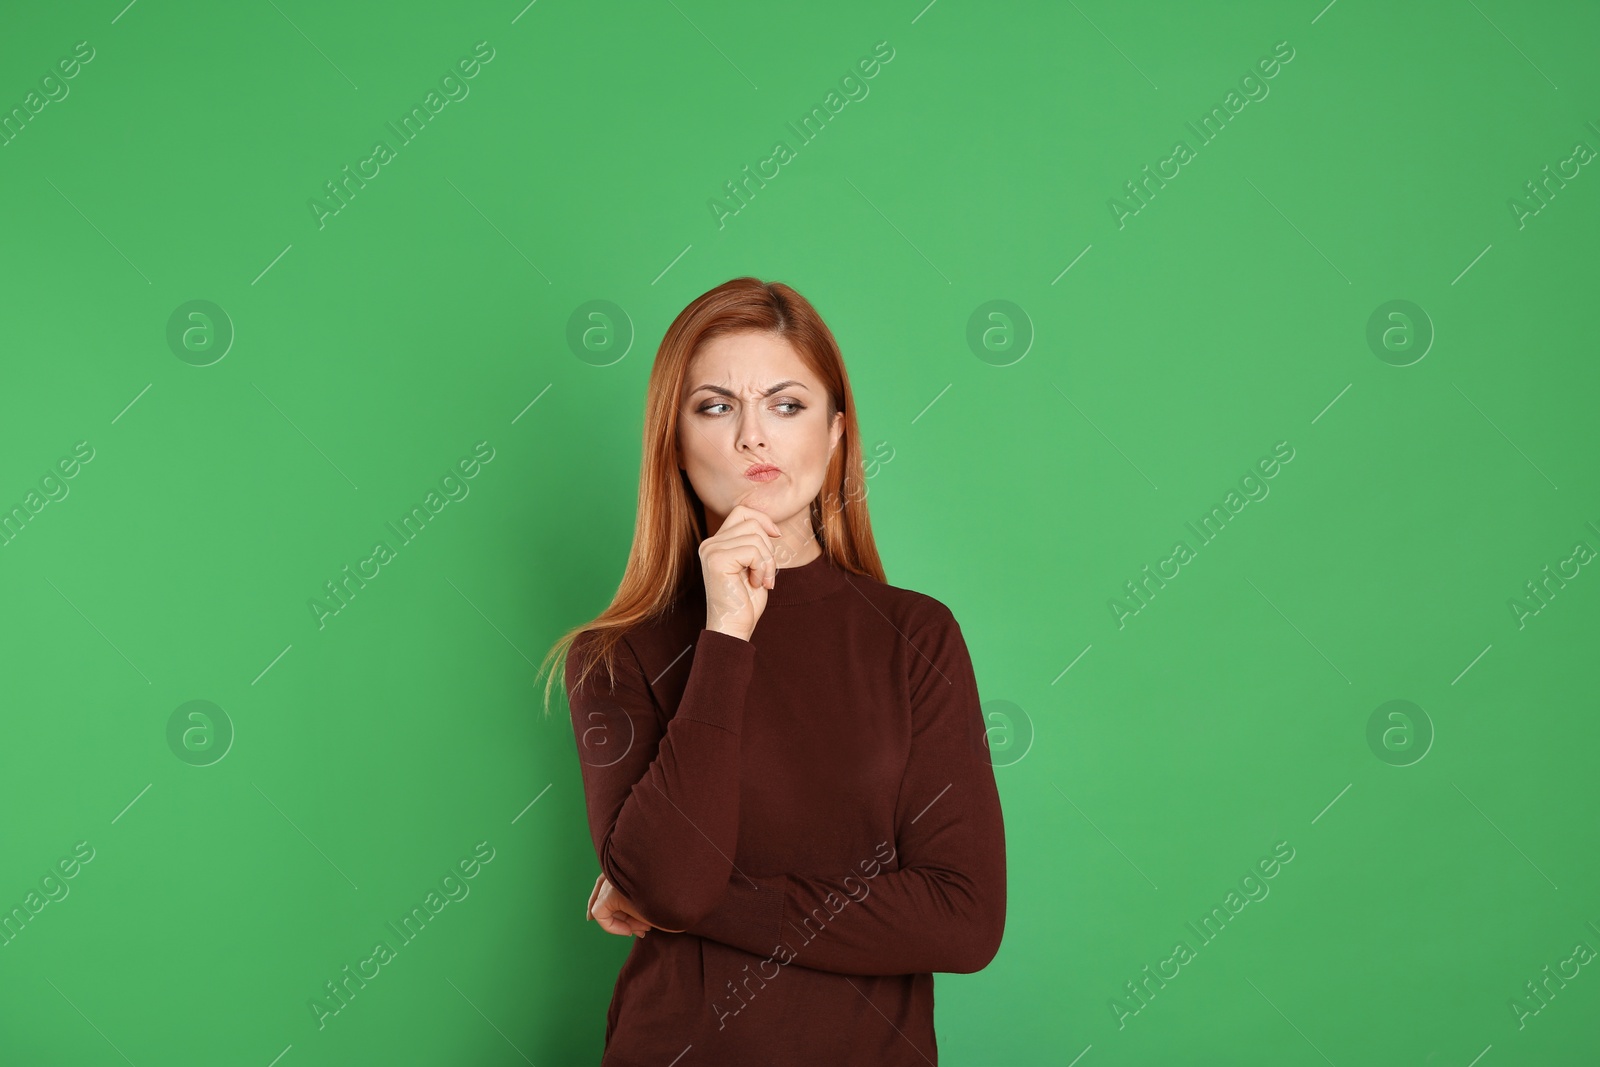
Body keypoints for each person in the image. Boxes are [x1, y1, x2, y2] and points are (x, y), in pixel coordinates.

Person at [539, 276, 1006, 1065]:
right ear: (674, 443)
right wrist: (726, 634)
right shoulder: (615, 655)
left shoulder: (915, 637)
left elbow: (963, 917)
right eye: (716, 406)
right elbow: (676, 883)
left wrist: (697, 903)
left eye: (786, 405)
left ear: (834, 434)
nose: (754, 436)